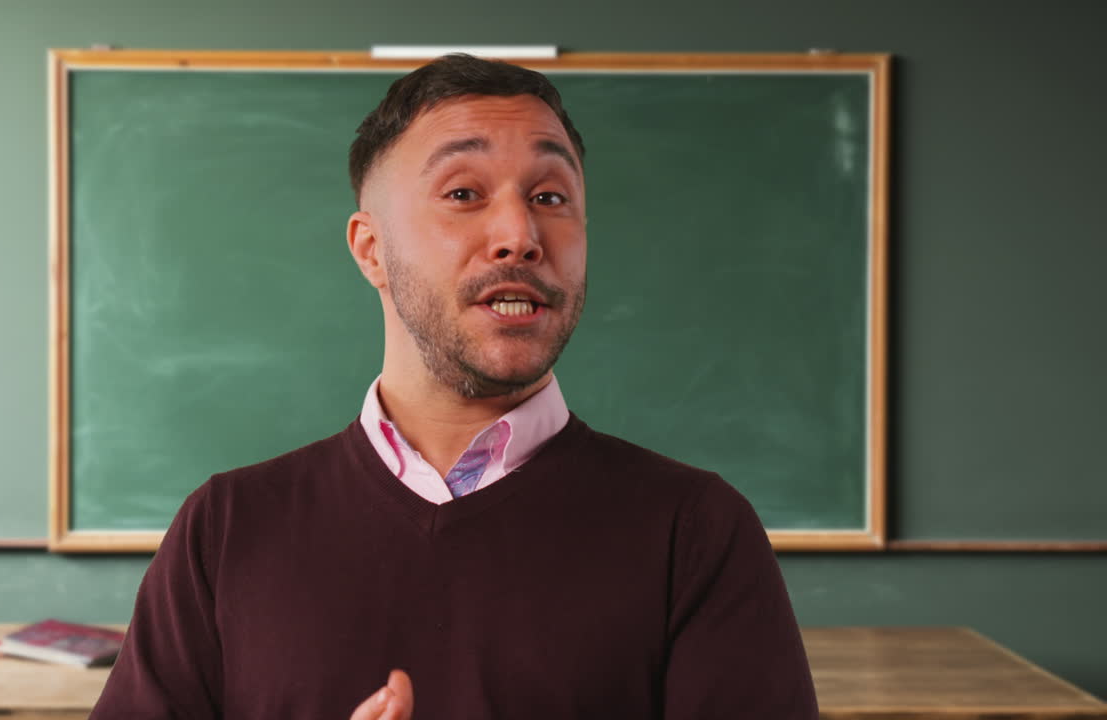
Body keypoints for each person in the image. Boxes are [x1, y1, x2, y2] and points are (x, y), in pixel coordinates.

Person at [90, 53, 818, 719]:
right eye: (464, 192)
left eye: (552, 197)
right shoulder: (225, 531)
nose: (519, 234)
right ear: (372, 250)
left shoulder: (696, 533)